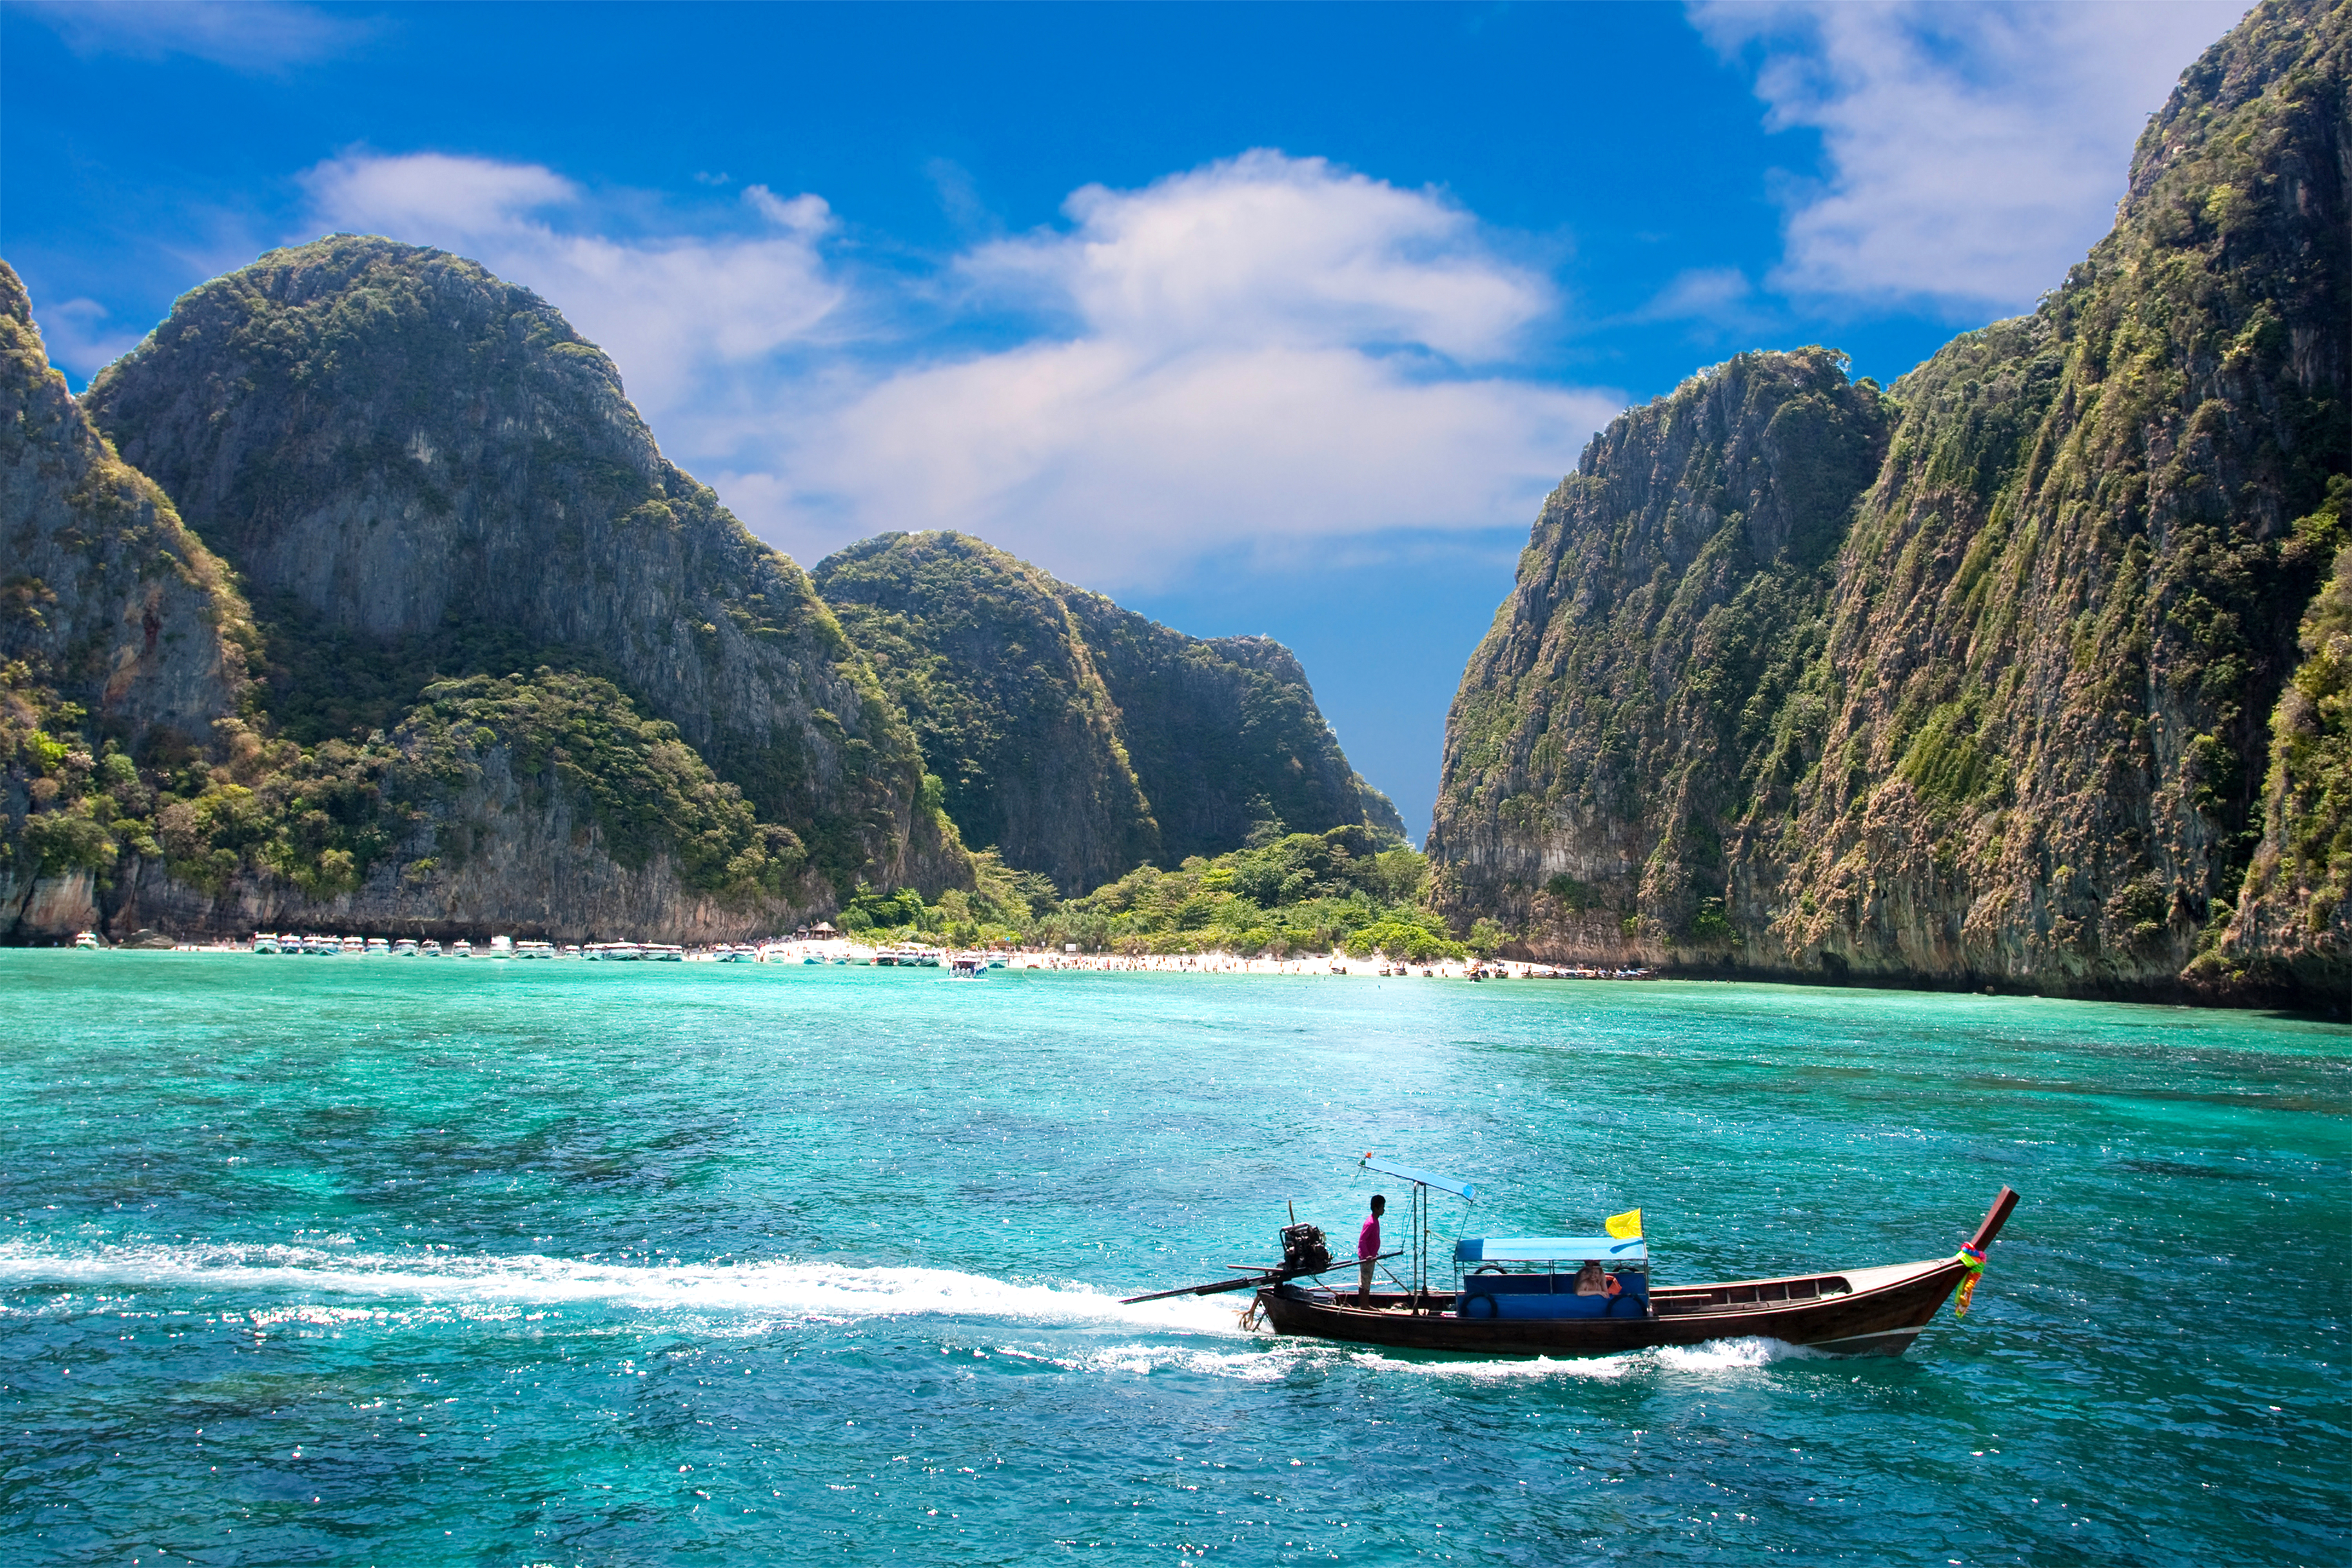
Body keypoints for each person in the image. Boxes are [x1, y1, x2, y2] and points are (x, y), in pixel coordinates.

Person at [1357, 1194, 1385, 1307]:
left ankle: (1366, 1304)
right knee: (1364, 1282)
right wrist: (1367, 1256)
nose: (1384, 1210)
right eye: (1382, 1208)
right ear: (1376, 1208)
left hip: (1372, 1257)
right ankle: (1364, 1306)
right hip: (1367, 1258)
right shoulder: (1371, 1223)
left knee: (1367, 1282)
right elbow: (1362, 1241)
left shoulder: (1376, 1221)